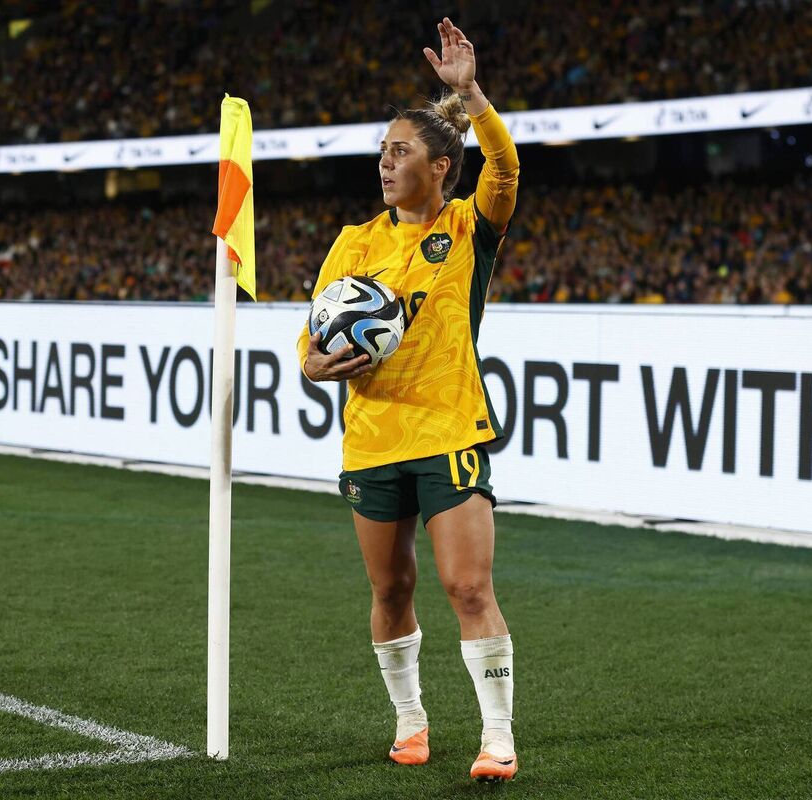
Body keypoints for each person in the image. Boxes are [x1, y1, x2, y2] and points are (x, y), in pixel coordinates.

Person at [296, 18, 521, 782]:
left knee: (467, 585)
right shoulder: (354, 241)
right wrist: (314, 367)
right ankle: (411, 721)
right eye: (383, 152)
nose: (385, 163)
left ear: (441, 167)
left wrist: (471, 95)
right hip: (371, 440)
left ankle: (497, 739)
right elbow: (311, 338)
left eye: (400, 151)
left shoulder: (468, 226)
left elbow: (508, 168)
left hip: (450, 427)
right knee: (390, 587)